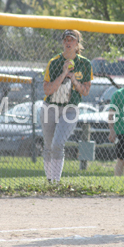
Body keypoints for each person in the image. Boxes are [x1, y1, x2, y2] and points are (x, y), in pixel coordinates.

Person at [41, 29, 93, 182]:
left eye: (72, 40)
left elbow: (85, 92)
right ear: (63, 42)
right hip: (50, 107)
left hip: (70, 109)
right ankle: (49, 181)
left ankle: (55, 182)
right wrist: (63, 73)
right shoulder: (54, 62)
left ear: (77, 44)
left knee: (58, 144)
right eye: (66, 40)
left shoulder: (84, 64)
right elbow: (47, 90)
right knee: (49, 145)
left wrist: (74, 80)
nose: (68, 42)